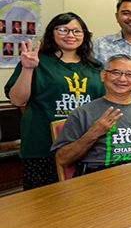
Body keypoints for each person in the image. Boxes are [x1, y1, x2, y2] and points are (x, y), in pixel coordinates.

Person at [5, 13, 106, 189]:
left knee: (84, 201)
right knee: (42, 204)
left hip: (84, 146)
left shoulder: (95, 67)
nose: (70, 35)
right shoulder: (36, 61)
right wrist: (28, 69)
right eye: (63, 29)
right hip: (42, 146)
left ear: (85, 35)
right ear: (52, 32)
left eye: (76, 31)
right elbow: (17, 99)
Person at [51, 54, 131, 176]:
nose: (122, 79)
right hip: (101, 178)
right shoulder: (82, 113)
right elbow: (63, 159)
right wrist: (93, 134)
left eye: (130, 74)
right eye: (115, 72)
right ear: (103, 75)